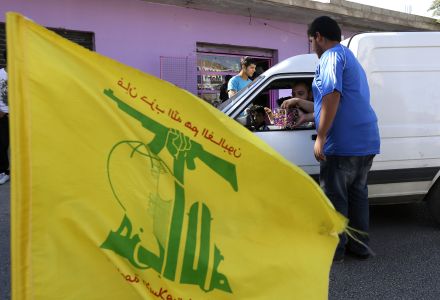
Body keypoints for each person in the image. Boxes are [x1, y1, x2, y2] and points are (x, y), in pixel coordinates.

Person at [307, 16, 380, 263]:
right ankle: (359, 248)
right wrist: (303, 106)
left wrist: (321, 136)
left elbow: (332, 96)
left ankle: (334, 252)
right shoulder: (350, 59)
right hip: (366, 140)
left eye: (311, 41)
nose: (312, 47)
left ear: (318, 36)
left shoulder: (330, 57)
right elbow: (334, 99)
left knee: (335, 197)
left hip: (343, 143)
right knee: (358, 194)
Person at [0, 50, 9, 185]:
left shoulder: (22, 73)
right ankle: (4, 171)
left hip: (19, 116)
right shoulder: (0, 73)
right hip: (2, 115)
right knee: (2, 144)